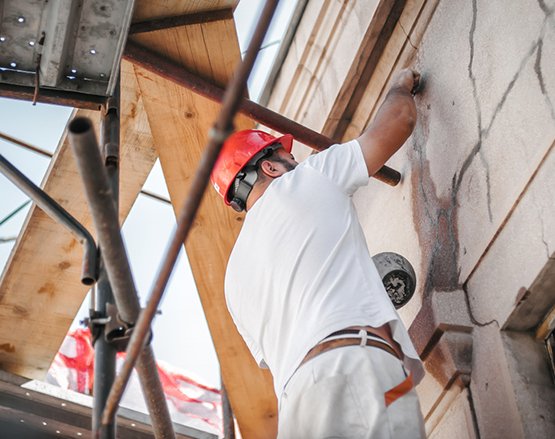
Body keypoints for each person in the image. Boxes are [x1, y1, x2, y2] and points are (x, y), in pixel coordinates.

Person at [211, 68, 426, 438]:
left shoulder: (233, 281)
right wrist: (399, 85)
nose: (295, 161)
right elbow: (399, 121)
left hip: (295, 410)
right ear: (269, 165)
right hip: (354, 364)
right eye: (286, 157)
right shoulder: (306, 178)